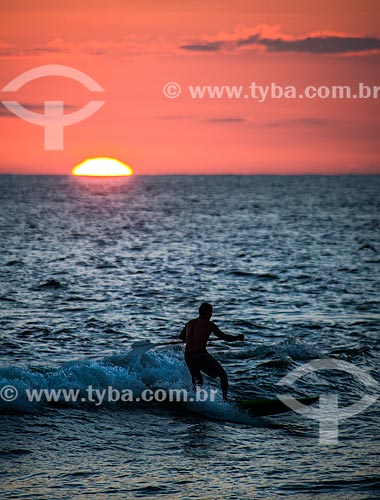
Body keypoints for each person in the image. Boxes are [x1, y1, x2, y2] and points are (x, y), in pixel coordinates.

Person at [179, 302, 244, 401]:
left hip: (188, 356)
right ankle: (226, 400)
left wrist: (193, 338)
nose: (211, 315)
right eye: (210, 312)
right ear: (206, 312)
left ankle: (192, 398)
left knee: (198, 381)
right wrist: (237, 338)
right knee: (223, 376)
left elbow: (181, 337)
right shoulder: (209, 324)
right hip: (200, 354)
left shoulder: (190, 323)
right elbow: (225, 338)